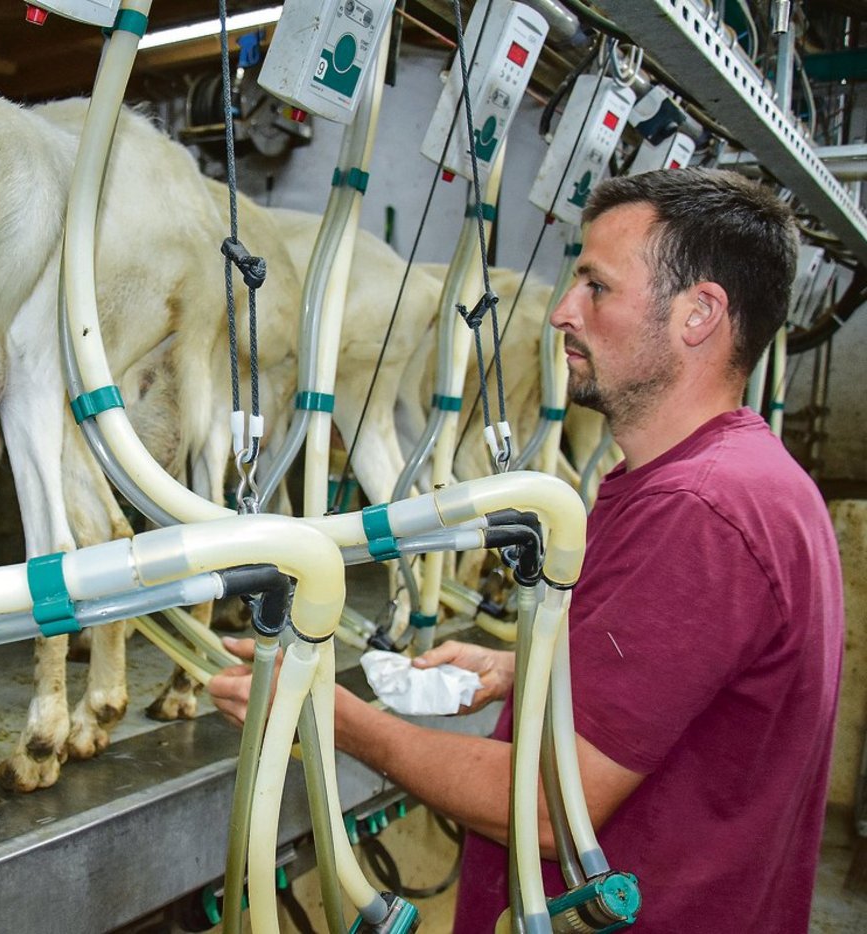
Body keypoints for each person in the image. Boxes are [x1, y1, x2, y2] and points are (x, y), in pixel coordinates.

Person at [208, 168, 844, 933]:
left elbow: (548, 809)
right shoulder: (731, 478)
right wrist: (521, 669)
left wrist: (325, 713)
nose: (561, 313)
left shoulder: (700, 513)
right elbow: (689, 684)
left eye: (596, 288)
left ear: (699, 314)